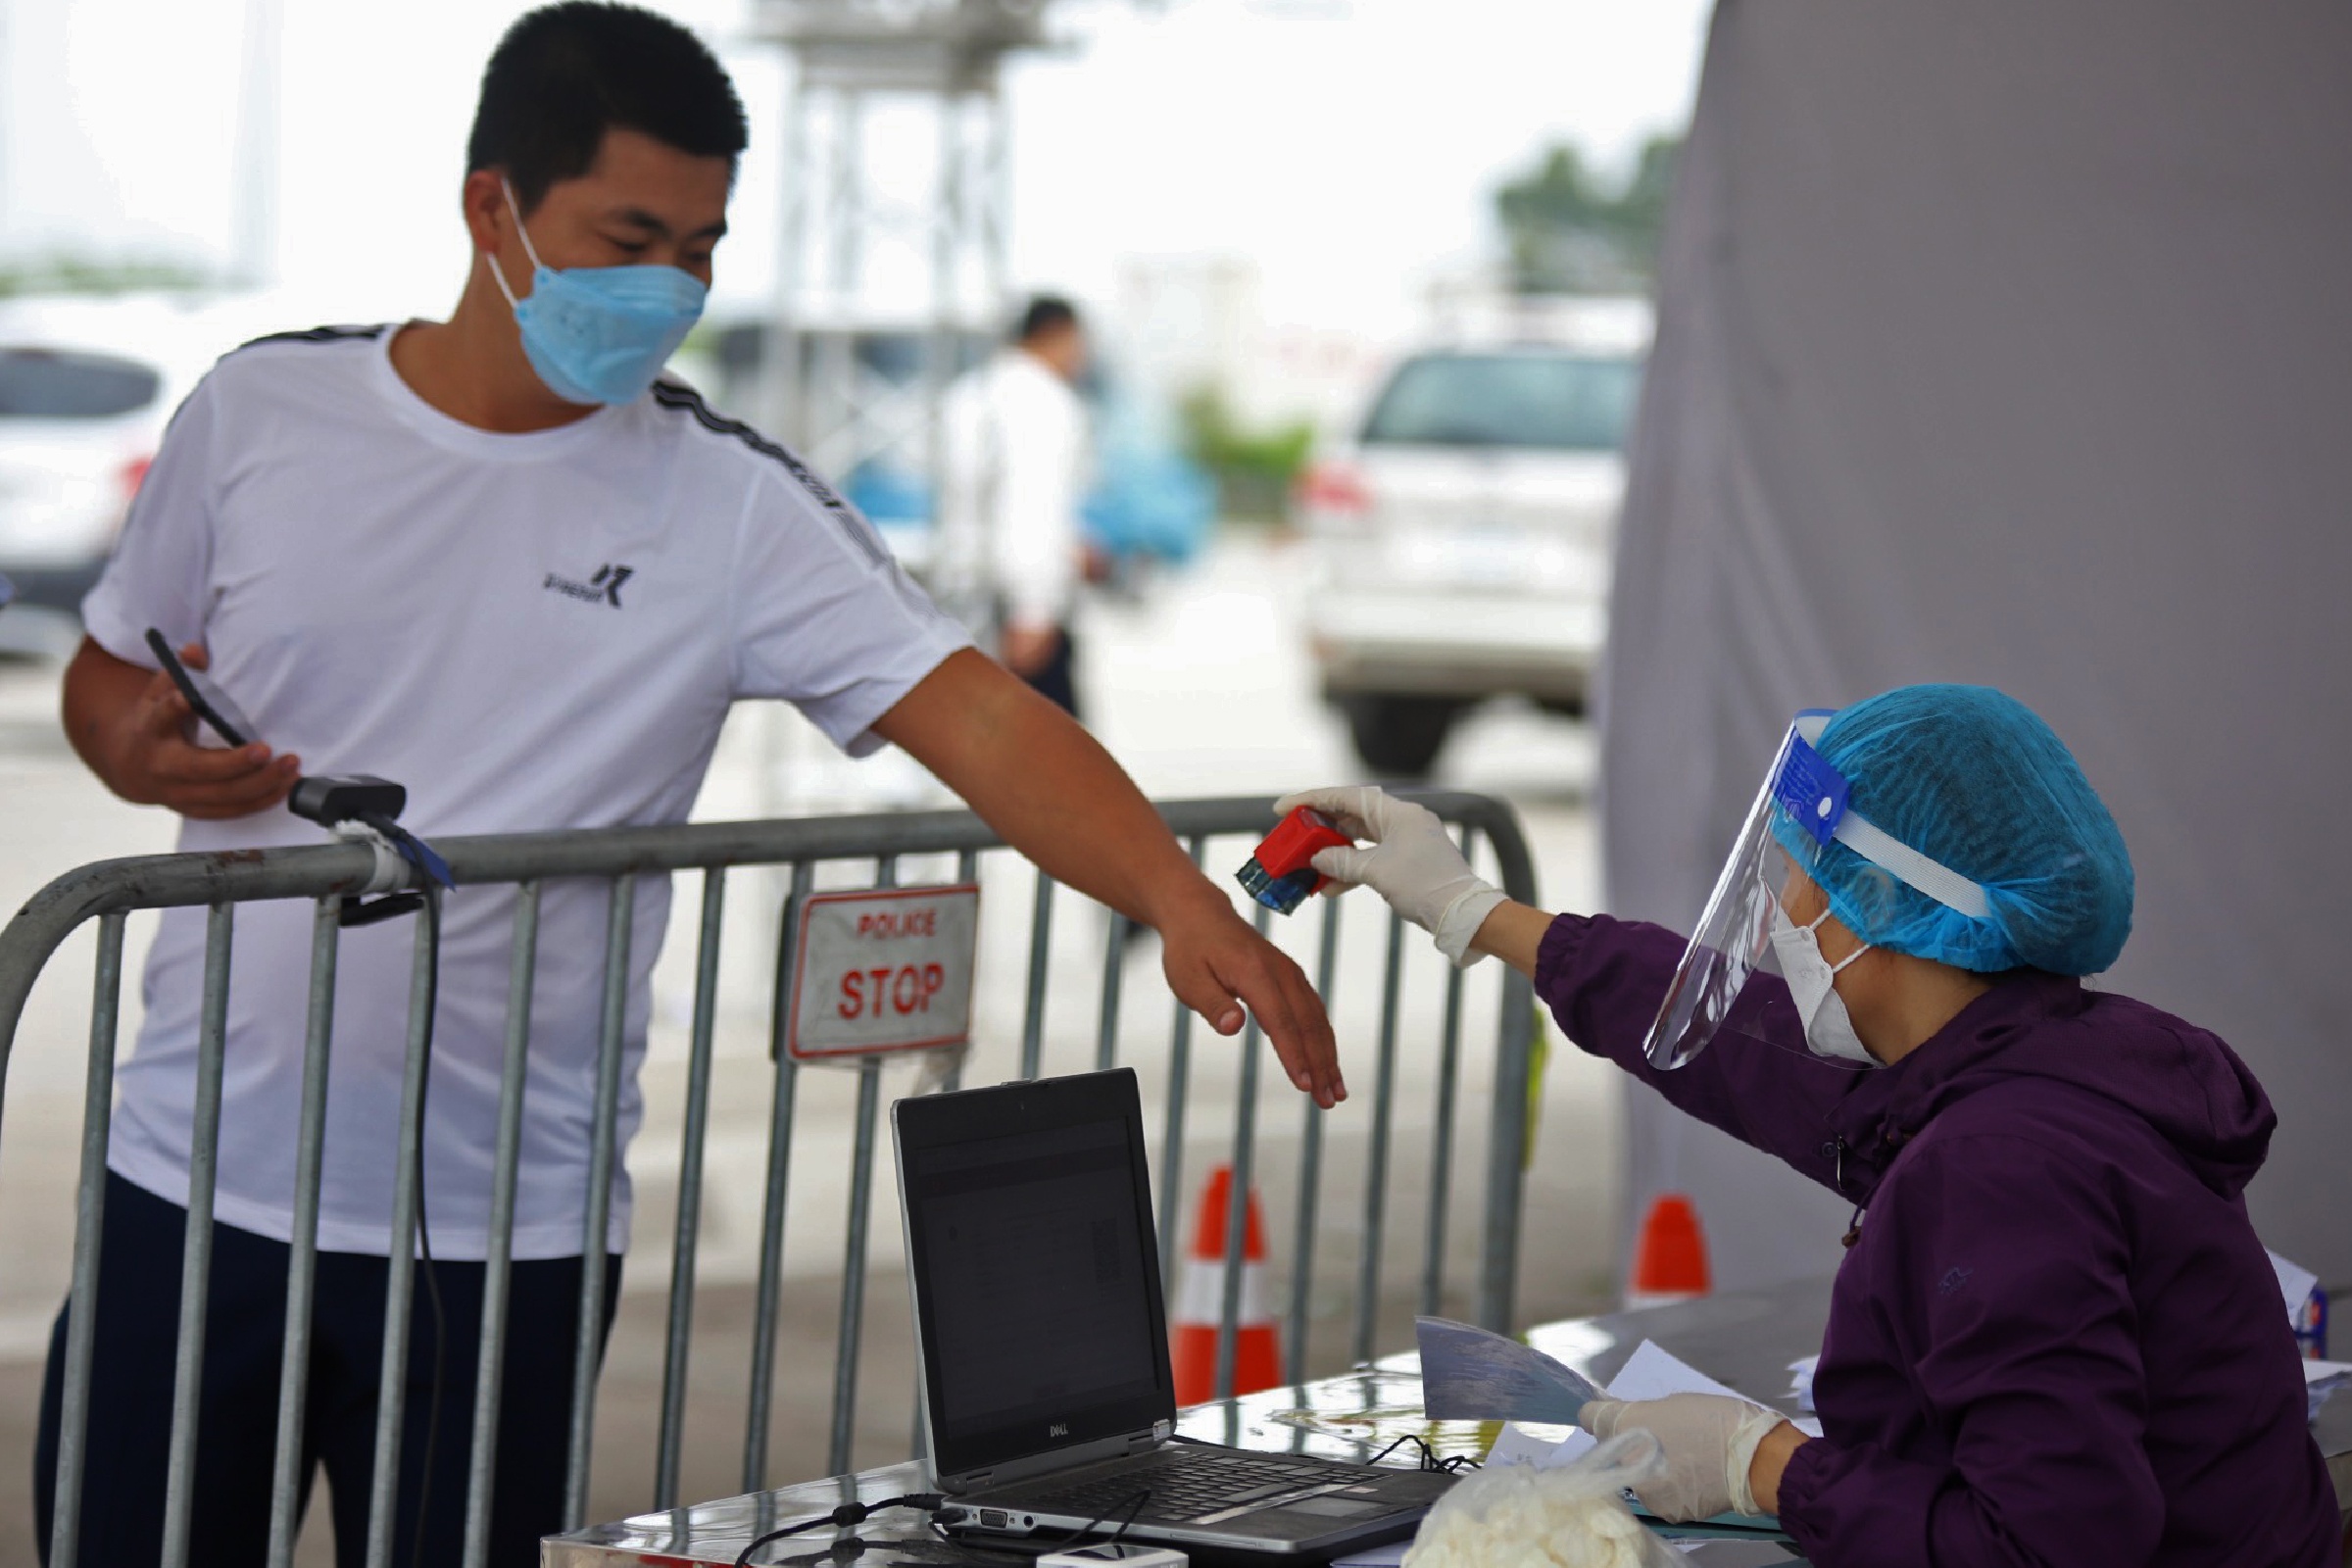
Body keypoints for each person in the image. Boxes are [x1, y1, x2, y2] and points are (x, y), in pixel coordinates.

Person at [44, 7, 1340, 1564]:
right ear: (492, 209)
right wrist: (132, 746)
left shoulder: (730, 507)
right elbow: (115, 670)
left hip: (498, 1234)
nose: (671, 285)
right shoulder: (258, 415)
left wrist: (1177, 894)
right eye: (631, 234)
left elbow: (986, 723)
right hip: (189, 1186)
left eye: (705, 245)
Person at [1281, 684, 2338, 1567]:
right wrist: (1477, 909)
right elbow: (1744, 1046)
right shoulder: (2049, 1058)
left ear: (1880, 895)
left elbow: (2053, 1548)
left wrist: (1770, 1465)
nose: (1783, 907)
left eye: (1800, 872)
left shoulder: (2000, 1164)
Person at [935, 295, 1093, 715]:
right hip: (1014, 602)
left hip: (964, 595)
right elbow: (1030, 507)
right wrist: (1034, 608)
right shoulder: (1045, 401)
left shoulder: (967, 394)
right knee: (1059, 762)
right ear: (1060, 337)